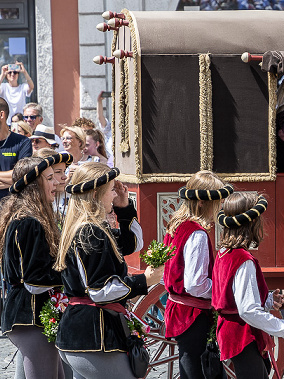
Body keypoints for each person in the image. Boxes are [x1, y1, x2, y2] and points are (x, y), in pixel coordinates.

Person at [54, 163, 162, 378]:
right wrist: (144, 280)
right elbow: (100, 290)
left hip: (80, 335)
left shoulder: (90, 228)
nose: (115, 194)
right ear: (96, 193)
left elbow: (132, 244)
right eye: (112, 189)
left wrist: (124, 208)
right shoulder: (91, 232)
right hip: (94, 336)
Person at [212, 192, 284, 378]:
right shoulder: (243, 259)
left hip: (233, 333)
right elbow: (248, 310)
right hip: (242, 336)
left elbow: (234, 297)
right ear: (251, 223)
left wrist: (267, 299)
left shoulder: (224, 252)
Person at [0, 154, 71, 379]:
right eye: (49, 178)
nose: (56, 182)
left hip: (33, 315)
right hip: (29, 315)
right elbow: (34, 279)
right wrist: (73, 274)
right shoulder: (28, 222)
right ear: (34, 185)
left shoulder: (32, 218)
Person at [163, 171, 233, 379]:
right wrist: (220, 291)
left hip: (179, 308)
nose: (219, 206)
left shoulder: (176, 225)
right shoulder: (197, 234)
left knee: (190, 363)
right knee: (195, 368)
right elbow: (195, 284)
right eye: (217, 201)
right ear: (202, 202)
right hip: (193, 314)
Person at [0, 97, 32, 200]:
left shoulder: (23, 142)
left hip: (13, 207)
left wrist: (17, 178)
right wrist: (10, 179)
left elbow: (22, 176)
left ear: (1, 115)